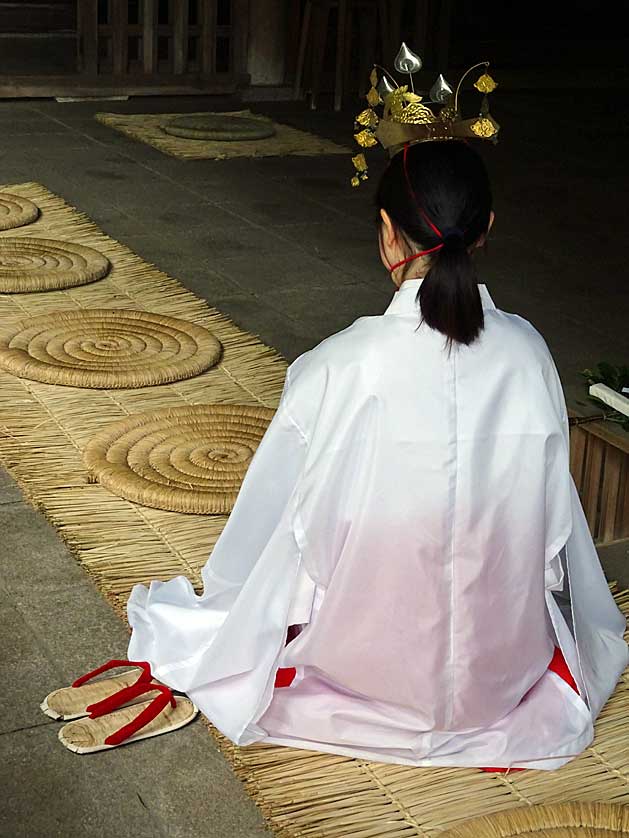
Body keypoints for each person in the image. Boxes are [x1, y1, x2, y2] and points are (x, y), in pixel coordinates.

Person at [125, 140, 628, 770]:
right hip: (503, 672)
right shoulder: (529, 354)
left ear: (387, 235)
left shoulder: (338, 364)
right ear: (486, 232)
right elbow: (550, 535)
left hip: (364, 666)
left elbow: (275, 531)